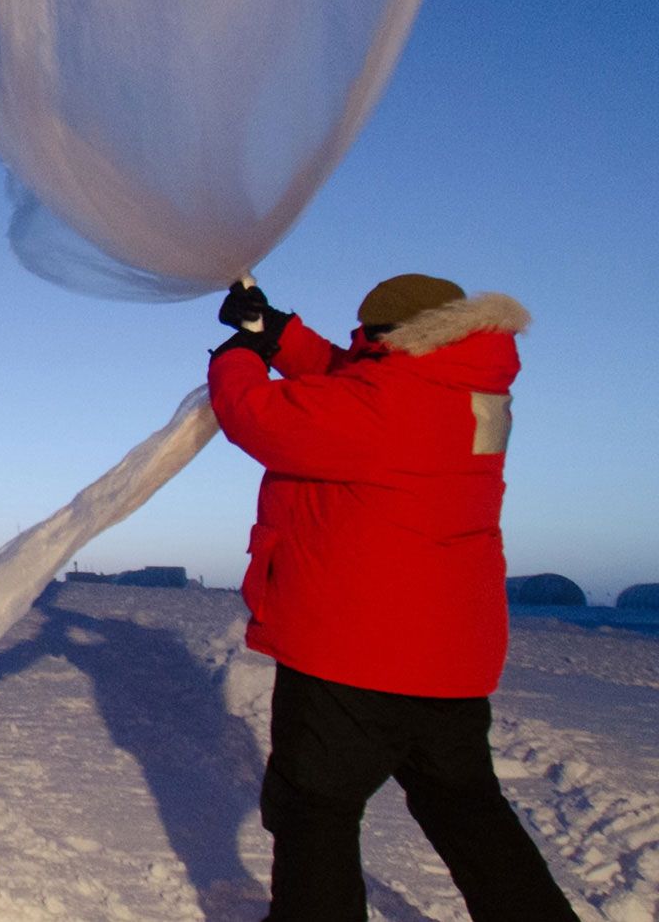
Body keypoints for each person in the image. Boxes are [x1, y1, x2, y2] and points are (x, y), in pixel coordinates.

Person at [208, 273, 576, 922]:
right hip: (450, 660)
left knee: (313, 807)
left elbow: (258, 415)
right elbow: (357, 381)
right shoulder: (471, 392)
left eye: (370, 338)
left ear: (391, 338)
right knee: (465, 807)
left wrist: (238, 356)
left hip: (354, 655)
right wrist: (281, 334)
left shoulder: (381, 404)